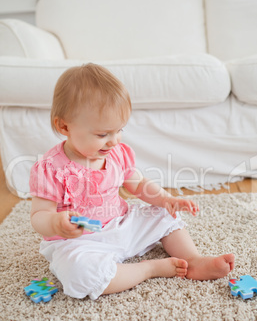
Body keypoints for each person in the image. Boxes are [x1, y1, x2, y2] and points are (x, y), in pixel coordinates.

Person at [30, 63, 235, 300]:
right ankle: (148, 269)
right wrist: (56, 224)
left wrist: (165, 198)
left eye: (119, 130)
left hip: (123, 223)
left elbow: (137, 184)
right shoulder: (51, 168)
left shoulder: (115, 153)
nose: (114, 141)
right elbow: (38, 217)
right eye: (102, 134)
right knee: (80, 275)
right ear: (64, 126)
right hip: (80, 242)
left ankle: (193, 260)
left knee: (164, 214)